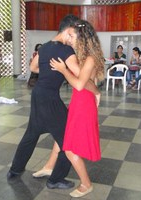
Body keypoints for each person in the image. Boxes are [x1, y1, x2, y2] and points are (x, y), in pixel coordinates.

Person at [7, 15, 99, 190]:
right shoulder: (66, 51)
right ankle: (56, 178)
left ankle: (15, 170)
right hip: (49, 99)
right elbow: (82, 77)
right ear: (69, 31)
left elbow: (33, 67)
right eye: (75, 36)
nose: (75, 41)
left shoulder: (45, 46)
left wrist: (50, 71)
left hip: (38, 95)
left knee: (31, 134)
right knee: (68, 139)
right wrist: (96, 90)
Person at [50, 19, 104, 197]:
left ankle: (86, 184)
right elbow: (87, 83)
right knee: (68, 143)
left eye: (72, 36)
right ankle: (51, 166)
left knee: (71, 148)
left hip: (83, 105)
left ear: (81, 37)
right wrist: (96, 92)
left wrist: (63, 70)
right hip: (79, 103)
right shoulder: (85, 56)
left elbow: (80, 85)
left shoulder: (89, 58)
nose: (69, 39)